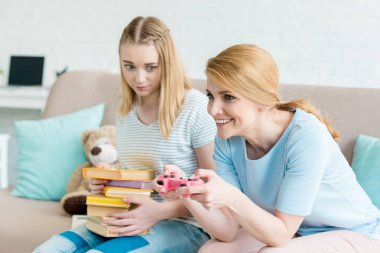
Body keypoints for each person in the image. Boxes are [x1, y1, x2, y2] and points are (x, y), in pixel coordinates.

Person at [156, 44, 380, 253]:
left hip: (357, 234)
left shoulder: (306, 136)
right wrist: (186, 190)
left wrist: (232, 197)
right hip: (297, 233)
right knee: (211, 250)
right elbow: (227, 231)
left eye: (228, 97)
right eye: (211, 96)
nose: (213, 109)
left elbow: (281, 234)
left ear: (263, 100)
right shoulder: (228, 139)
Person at [33, 16, 216, 253]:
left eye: (151, 67)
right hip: (127, 217)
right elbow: (140, 179)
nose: (139, 79)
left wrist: (159, 211)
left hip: (184, 225)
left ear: (167, 62)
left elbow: (216, 191)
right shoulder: (126, 110)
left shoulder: (195, 108)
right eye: (129, 66)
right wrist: (109, 182)